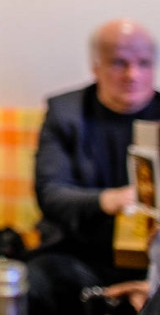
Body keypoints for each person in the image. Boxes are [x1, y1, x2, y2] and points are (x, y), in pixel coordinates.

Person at [28, 19, 158, 314]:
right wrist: (112, 200)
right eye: (119, 63)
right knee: (37, 280)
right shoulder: (66, 113)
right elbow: (51, 195)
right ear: (96, 66)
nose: (132, 74)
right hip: (78, 256)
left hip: (152, 263)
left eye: (144, 63)